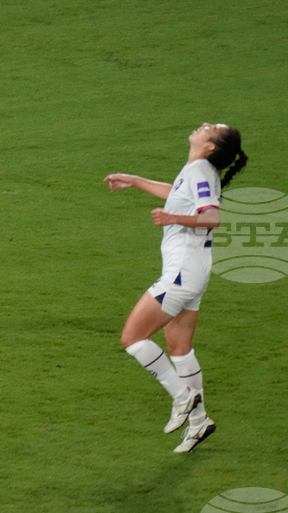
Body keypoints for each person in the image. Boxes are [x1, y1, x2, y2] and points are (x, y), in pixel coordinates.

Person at [104, 123, 247, 452]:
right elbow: (179, 195)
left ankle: (183, 397)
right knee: (179, 349)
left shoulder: (200, 168)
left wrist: (172, 220)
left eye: (212, 128)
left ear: (211, 146)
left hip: (181, 273)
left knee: (133, 338)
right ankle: (199, 423)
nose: (204, 126)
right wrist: (136, 181)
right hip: (195, 272)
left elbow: (212, 217)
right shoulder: (199, 169)